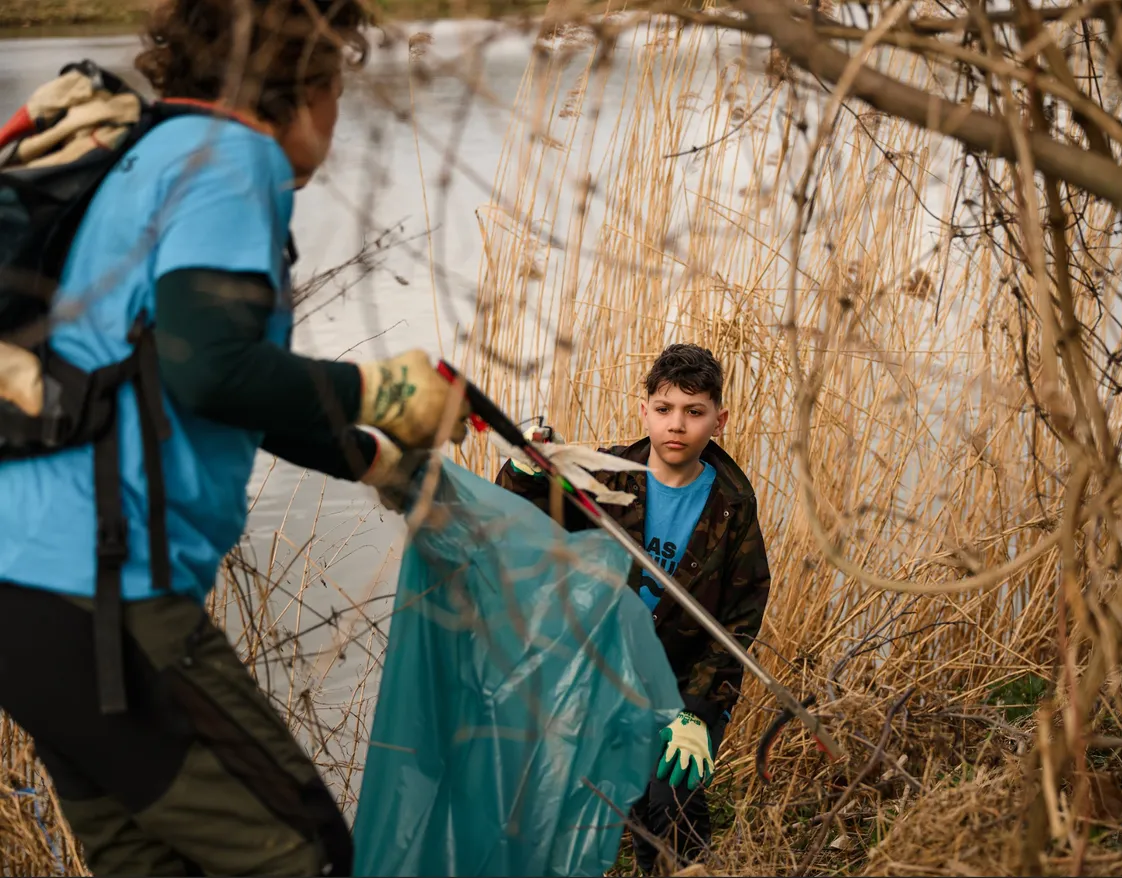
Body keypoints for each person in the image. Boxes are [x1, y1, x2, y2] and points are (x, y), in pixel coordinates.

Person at [0, 2, 471, 875]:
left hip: (27, 599)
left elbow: (188, 384)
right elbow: (210, 368)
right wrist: (383, 386)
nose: (336, 113)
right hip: (105, 596)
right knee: (304, 851)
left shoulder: (148, 154)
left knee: (156, 864)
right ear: (305, 80)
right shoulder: (230, 162)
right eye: (338, 84)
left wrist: (367, 452)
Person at [494, 343, 772, 875]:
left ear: (720, 419)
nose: (677, 425)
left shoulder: (733, 504)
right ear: (643, 409)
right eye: (664, 409)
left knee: (672, 804)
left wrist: (699, 710)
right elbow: (522, 521)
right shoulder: (605, 476)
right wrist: (526, 468)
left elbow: (738, 622)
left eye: (695, 412)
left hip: (681, 683)